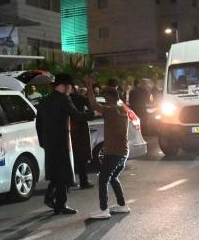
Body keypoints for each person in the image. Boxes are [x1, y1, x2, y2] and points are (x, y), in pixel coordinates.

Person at [35, 74, 84, 215]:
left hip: (49, 142)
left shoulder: (44, 101)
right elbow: (77, 115)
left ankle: (52, 199)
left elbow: (38, 123)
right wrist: (94, 113)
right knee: (63, 174)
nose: (71, 89)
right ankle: (59, 205)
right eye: (70, 86)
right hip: (61, 141)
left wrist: (43, 141)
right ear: (63, 86)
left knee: (56, 172)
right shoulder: (64, 99)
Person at [84, 75, 130, 220]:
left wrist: (89, 86)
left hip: (114, 152)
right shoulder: (122, 110)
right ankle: (122, 205)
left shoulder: (111, 110)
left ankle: (103, 210)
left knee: (103, 179)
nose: (103, 97)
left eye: (104, 95)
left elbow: (93, 104)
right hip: (123, 151)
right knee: (113, 177)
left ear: (110, 97)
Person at [68, 86, 95, 190]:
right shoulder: (80, 99)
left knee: (70, 155)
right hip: (80, 129)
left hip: (68, 128)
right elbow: (92, 110)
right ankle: (83, 180)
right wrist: (90, 115)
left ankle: (70, 180)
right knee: (81, 157)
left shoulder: (64, 99)